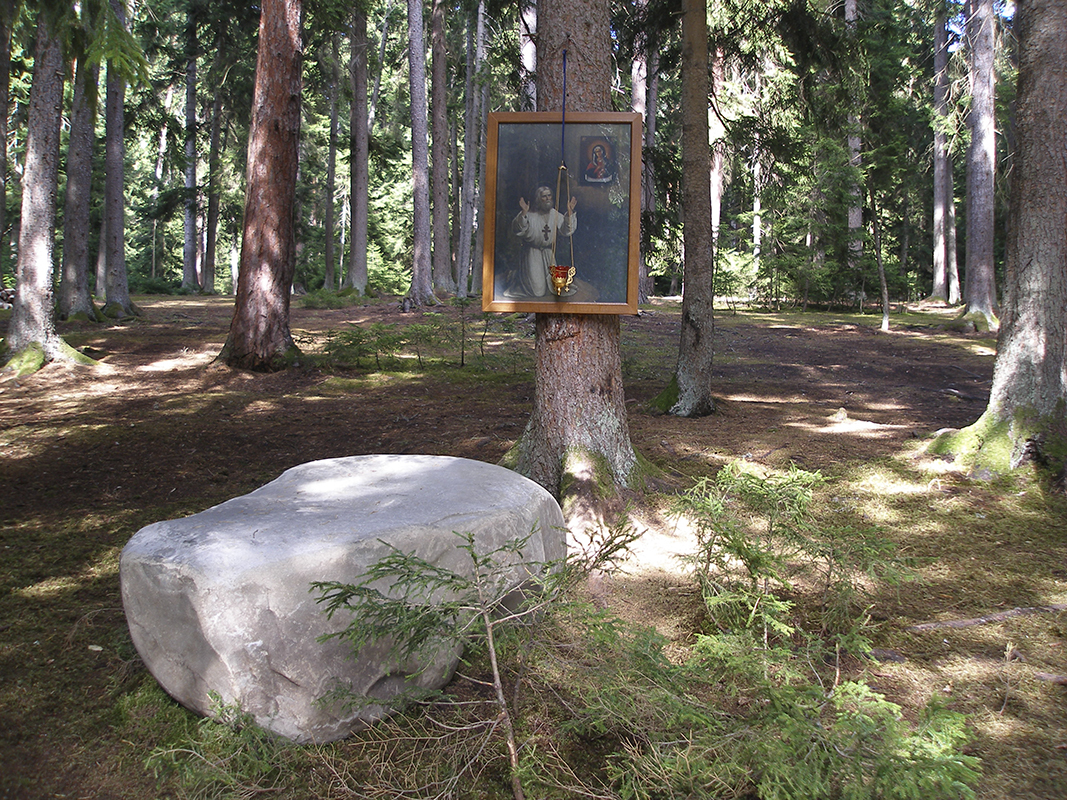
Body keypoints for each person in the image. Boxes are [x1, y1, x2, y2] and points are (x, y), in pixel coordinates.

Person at [505, 185, 577, 298]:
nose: (548, 198)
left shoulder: (554, 214)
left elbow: (566, 230)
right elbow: (518, 229)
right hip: (532, 253)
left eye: (549, 195)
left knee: (552, 288)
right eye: (544, 196)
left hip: (548, 254)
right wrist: (523, 213)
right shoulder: (530, 215)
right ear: (538, 199)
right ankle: (517, 277)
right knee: (538, 292)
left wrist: (569, 213)